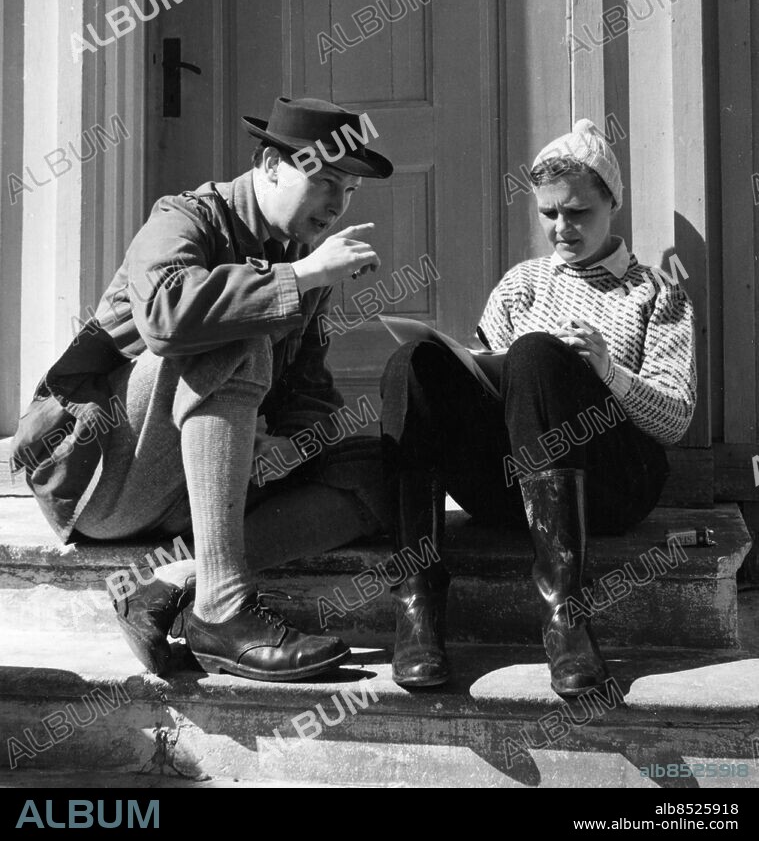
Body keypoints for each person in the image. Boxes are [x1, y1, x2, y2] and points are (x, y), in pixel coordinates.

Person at [11, 97, 394, 682]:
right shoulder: (184, 217)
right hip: (103, 474)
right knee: (234, 332)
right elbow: (166, 319)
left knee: (381, 467)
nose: (336, 204)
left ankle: (174, 579)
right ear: (270, 166)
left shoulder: (302, 261)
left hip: (197, 487)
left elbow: (310, 392)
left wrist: (290, 446)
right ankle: (223, 609)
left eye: (349, 190)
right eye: (323, 181)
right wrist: (299, 277)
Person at [380, 119, 696, 697]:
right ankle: (417, 602)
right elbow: (487, 384)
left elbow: (675, 420)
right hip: (513, 489)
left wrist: (607, 372)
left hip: (611, 488)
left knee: (536, 353)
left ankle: (566, 617)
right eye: (549, 213)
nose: (561, 228)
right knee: (413, 363)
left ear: (612, 203)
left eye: (577, 212)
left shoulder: (655, 290)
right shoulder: (520, 284)